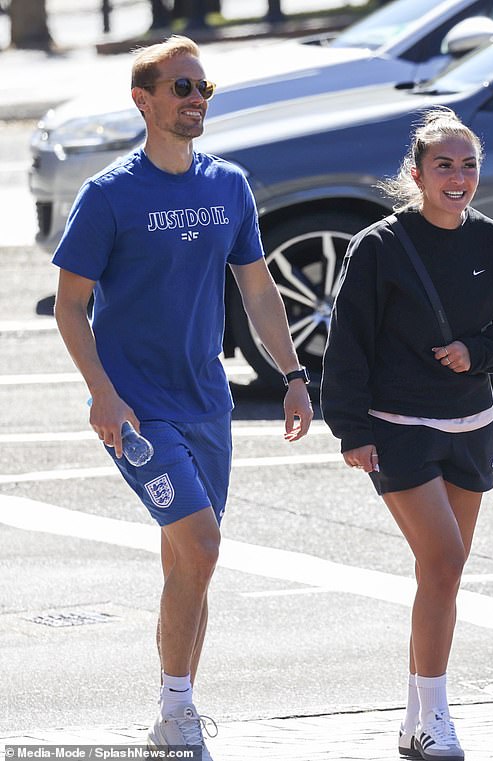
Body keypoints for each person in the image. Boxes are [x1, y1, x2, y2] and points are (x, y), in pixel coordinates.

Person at [52, 34, 313, 761]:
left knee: (189, 564)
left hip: (208, 403)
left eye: (204, 90)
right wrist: (103, 395)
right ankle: (179, 710)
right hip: (138, 411)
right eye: (182, 88)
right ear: (145, 100)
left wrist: (293, 375)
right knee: (202, 543)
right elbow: (70, 306)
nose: (197, 100)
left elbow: (257, 288)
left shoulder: (228, 184)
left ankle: (173, 716)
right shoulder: (109, 195)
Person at [321, 107, 493, 761]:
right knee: (445, 561)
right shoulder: (379, 247)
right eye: (443, 165)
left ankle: (418, 720)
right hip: (400, 430)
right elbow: (349, 345)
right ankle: (438, 715)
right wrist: (352, 430)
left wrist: (478, 352)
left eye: (468, 164)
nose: (457, 177)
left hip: (473, 425)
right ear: (417, 174)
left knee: (439, 574)